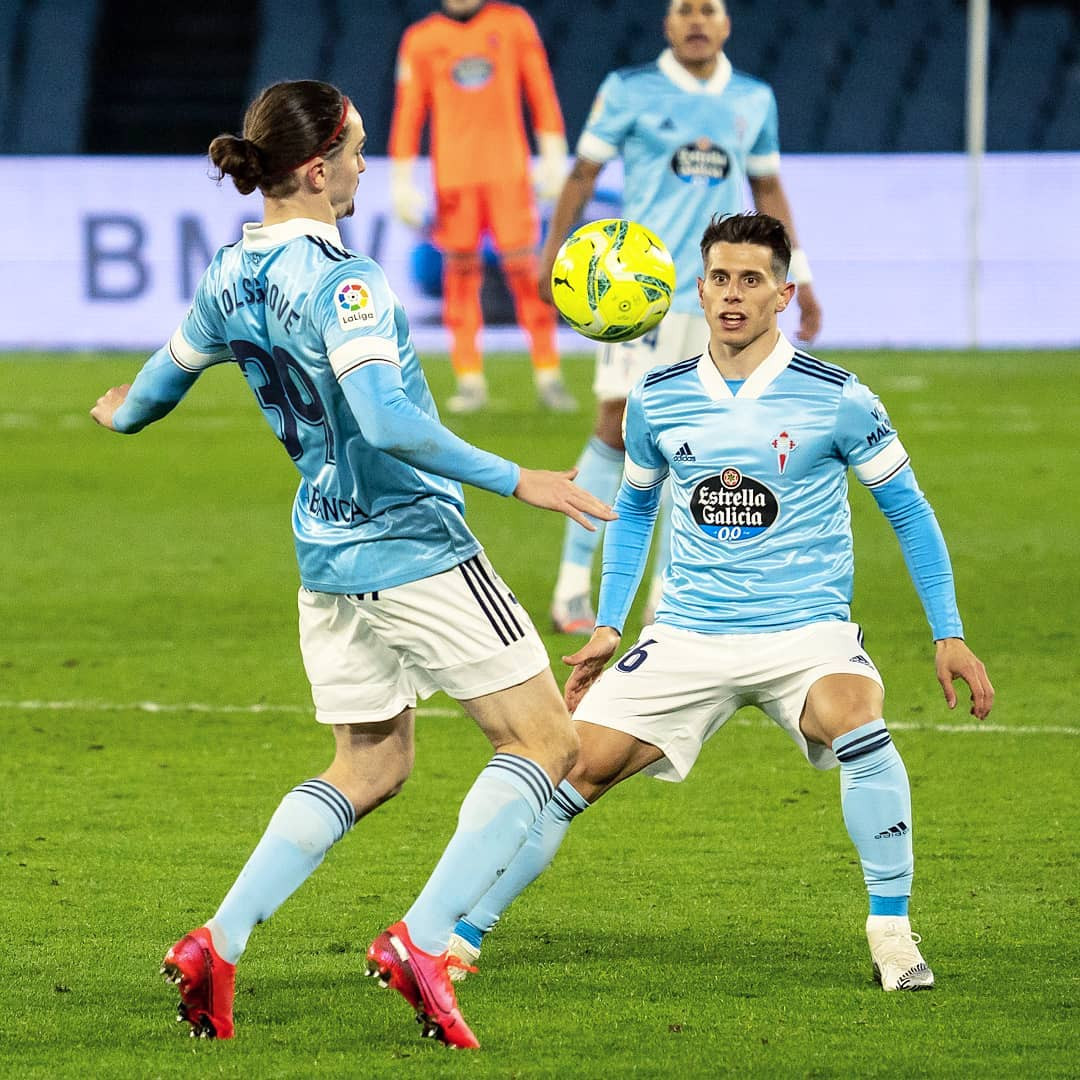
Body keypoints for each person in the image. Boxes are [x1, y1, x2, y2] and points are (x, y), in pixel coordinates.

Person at [89, 80, 615, 1049]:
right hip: (413, 545)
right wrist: (518, 479)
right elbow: (385, 420)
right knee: (549, 745)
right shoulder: (348, 282)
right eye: (359, 150)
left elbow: (153, 392)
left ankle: (220, 938)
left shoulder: (230, 274)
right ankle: (420, 940)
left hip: (325, 550)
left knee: (370, 762)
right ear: (318, 166)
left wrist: (118, 410)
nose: (368, 166)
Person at [448, 212, 994, 993]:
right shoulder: (658, 398)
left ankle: (893, 935)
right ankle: (460, 936)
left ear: (783, 293)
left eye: (752, 280)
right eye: (719, 279)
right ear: (697, 289)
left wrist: (949, 632)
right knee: (569, 768)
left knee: (858, 722)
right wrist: (609, 623)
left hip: (805, 633)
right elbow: (635, 510)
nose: (733, 295)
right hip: (687, 636)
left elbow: (908, 509)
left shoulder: (838, 398)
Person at [544, 0, 823, 634]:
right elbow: (583, 173)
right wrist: (554, 251)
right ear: (667, 23)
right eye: (684, 9)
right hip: (637, 296)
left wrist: (799, 275)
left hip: (718, 294)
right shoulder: (629, 89)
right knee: (616, 426)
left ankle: (667, 594)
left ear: (727, 22)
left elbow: (769, 189)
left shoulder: (752, 98)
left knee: (698, 437)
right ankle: (570, 588)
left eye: (709, 9)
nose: (697, 19)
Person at [389, 0, 576, 414]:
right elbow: (409, 111)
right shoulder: (421, 39)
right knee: (460, 279)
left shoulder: (513, 25)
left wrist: (552, 153)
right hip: (454, 179)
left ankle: (549, 374)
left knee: (527, 276)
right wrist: (401, 178)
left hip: (508, 173)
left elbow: (540, 90)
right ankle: (469, 379)